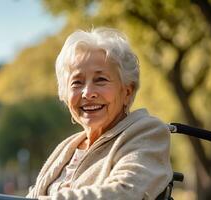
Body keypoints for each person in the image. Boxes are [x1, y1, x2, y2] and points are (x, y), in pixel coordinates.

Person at [26, 28, 172, 200]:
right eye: (77, 82)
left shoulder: (148, 132)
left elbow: (124, 192)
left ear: (127, 92)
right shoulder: (66, 147)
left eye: (100, 80)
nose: (87, 93)